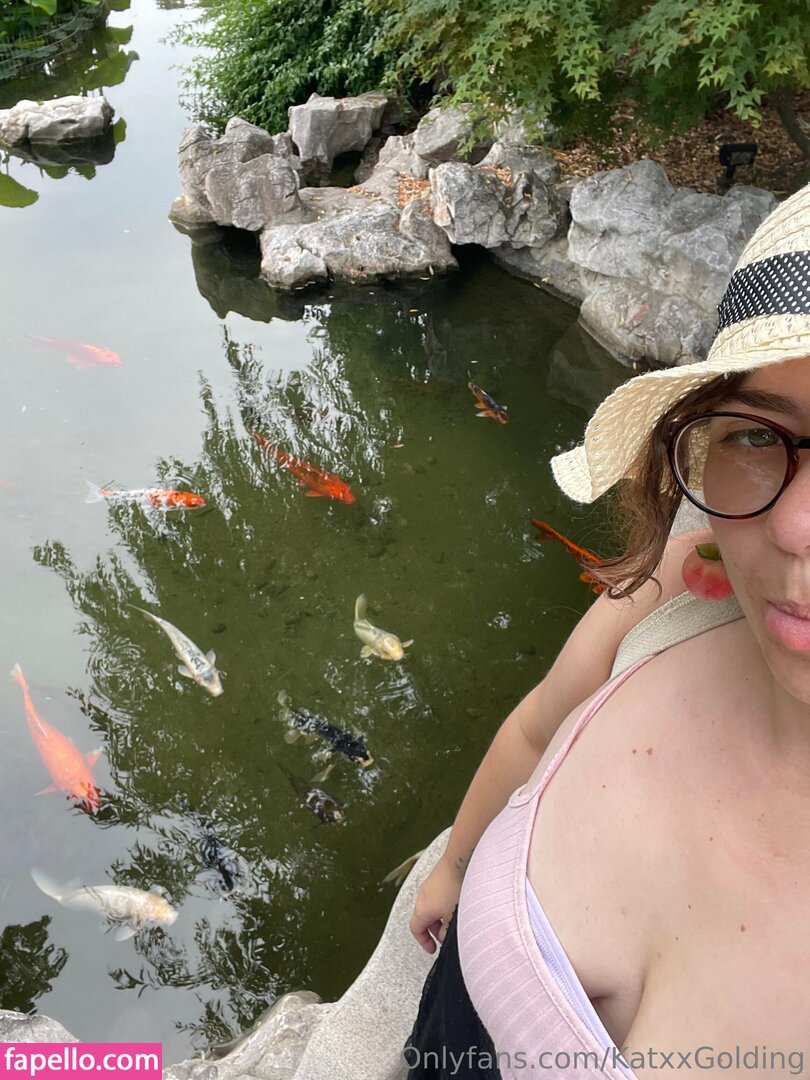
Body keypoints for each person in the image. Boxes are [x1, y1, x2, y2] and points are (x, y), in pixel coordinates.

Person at [406, 180, 810, 1079]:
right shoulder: (679, 585)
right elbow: (534, 727)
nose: (793, 528)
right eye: (757, 435)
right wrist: (458, 869)